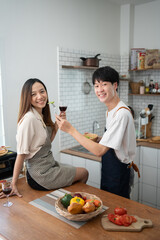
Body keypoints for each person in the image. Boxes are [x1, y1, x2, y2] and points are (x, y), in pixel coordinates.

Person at [56, 66, 138, 199]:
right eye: (96, 85)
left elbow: (99, 151)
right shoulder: (110, 111)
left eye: (104, 84)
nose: (99, 90)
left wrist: (71, 130)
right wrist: (99, 138)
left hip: (118, 172)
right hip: (109, 170)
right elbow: (114, 141)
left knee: (116, 212)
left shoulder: (121, 113)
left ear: (115, 85)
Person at [0, 78, 88, 198]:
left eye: (42, 91)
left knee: (73, 170)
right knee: (84, 173)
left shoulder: (40, 114)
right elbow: (21, 153)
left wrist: (57, 124)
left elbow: (46, 142)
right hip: (41, 175)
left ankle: (72, 202)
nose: (40, 96)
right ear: (27, 98)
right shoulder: (29, 119)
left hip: (49, 166)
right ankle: (76, 203)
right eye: (33, 94)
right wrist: (13, 183)